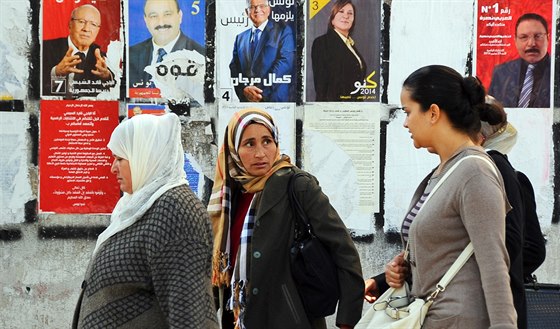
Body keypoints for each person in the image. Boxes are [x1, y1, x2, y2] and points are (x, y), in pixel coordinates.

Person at [366, 65, 517, 328]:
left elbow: (494, 265)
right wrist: (403, 268)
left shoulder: (474, 171)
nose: (405, 122)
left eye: (408, 111)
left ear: (433, 113)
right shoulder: (446, 170)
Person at [207, 108, 364, 328]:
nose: (261, 153)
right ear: (234, 150)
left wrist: (348, 318)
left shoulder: (298, 185)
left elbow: (343, 249)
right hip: (238, 320)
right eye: (249, 144)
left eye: (267, 141)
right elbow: (220, 265)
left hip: (291, 318)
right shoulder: (229, 195)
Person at [72, 113, 219, 329]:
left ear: (145, 155)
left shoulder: (175, 210)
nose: (113, 168)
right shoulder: (137, 207)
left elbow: (190, 315)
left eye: (120, 158)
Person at [475, 96, 546, 329]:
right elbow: (533, 250)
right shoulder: (512, 174)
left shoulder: (496, 172)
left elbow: (526, 247)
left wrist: (498, 274)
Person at [42, 4, 115, 98]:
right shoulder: (45, 48)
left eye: (93, 24)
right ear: (70, 24)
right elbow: (32, 85)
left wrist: (106, 76)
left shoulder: (99, 55)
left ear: (98, 30)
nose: (86, 29)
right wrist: (56, 72)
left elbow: (115, 87)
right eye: (81, 22)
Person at [129, 0, 205, 89]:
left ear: (180, 16)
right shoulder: (130, 55)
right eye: (153, 16)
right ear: (146, 20)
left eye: (167, 14)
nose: (161, 23)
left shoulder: (201, 58)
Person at [229, 0, 296, 102]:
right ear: (247, 12)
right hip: (247, 102)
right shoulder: (240, 38)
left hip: (275, 100)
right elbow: (234, 67)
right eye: (253, 7)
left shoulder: (284, 31)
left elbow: (285, 63)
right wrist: (245, 90)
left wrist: (258, 92)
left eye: (262, 6)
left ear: (268, 10)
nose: (257, 10)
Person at [488, 13, 550, 108]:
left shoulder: (556, 72)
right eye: (524, 37)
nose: (531, 43)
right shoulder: (500, 73)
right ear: (515, 40)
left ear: (548, 38)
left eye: (538, 36)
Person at [311, 0, 366, 101]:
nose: (346, 16)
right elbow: (321, 87)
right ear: (332, 19)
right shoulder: (322, 43)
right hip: (334, 110)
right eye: (341, 12)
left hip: (355, 110)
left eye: (350, 13)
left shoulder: (350, 44)